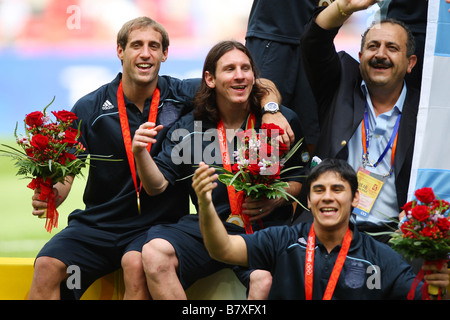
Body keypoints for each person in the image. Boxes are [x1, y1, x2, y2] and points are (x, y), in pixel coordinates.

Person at [28, 18, 289, 299]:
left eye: (154, 46)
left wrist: (271, 109)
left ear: (165, 53)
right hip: (98, 226)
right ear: (120, 50)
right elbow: (68, 169)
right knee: (47, 267)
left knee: (135, 264)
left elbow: (254, 82)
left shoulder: (185, 94)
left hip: (158, 225)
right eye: (136, 45)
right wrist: (53, 194)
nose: (145, 54)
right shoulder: (91, 107)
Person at [132, 40, 308, 299]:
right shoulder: (190, 128)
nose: (239, 76)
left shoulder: (279, 121)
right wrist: (140, 153)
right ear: (210, 79)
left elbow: (300, 176)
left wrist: (277, 198)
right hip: (210, 228)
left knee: (263, 280)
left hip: (263, 232)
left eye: (245, 68)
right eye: (229, 69)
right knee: (154, 252)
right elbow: (156, 185)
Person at [195, 158, 449, 299]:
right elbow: (223, 249)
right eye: (319, 190)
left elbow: (423, 296)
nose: (327, 197)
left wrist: (444, 287)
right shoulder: (283, 240)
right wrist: (205, 203)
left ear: (355, 199)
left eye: (337, 189)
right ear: (308, 200)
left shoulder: (381, 258)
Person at [298, 0, 420, 242]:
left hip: (396, 238)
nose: (381, 55)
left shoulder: (425, 109)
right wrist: (346, 6)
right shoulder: (339, 84)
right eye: (373, 46)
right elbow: (313, 41)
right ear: (361, 56)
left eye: (392, 48)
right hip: (330, 231)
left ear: (410, 63)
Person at [245, 0, 321, 152]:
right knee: (264, 139)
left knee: (311, 138)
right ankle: (258, 176)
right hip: (273, 35)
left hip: (317, 38)